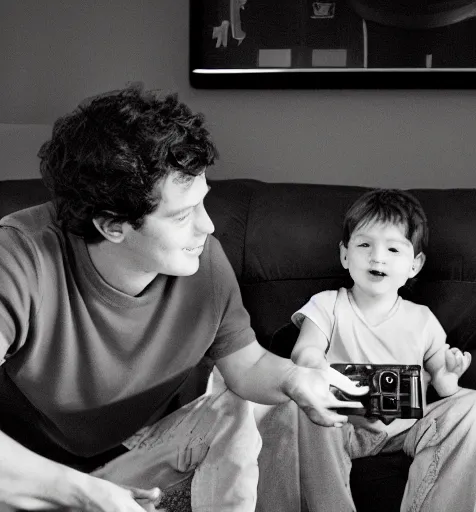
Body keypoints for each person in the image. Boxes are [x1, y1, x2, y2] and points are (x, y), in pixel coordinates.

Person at [0, 85, 368, 512]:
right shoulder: (19, 256)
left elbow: (246, 364)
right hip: (29, 482)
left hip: (139, 462)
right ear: (111, 226)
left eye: (202, 203)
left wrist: (293, 379)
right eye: (181, 215)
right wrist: (89, 494)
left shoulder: (199, 259)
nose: (208, 227)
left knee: (236, 409)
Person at [255, 188, 476, 512]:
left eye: (393, 248)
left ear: (414, 264)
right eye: (365, 244)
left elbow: (443, 386)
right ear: (345, 254)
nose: (377, 257)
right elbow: (305, 354)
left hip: (406, 425)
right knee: (299, 403)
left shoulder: (422, 319)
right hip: (338, 422)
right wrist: (323, 373)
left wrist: (449, 372)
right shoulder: (328, 305)